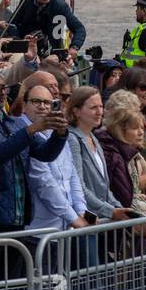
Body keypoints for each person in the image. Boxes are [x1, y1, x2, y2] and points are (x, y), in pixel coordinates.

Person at [0, 67, 69, 237]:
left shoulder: (16, 124)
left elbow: (45, 153)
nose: (3, 92)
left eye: (4, 87)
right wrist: (32, 129)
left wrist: (60, 133)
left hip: (19, 216)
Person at [21, 85, 89, 233]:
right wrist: (73, 217)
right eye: (36, 101)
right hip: (37, 230)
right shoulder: (22, 133)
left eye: (47, 103)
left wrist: (81, 211)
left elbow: (72, 176)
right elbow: (43, 182)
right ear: (24, 106)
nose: (42, 107)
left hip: (63, 228)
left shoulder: (58, 132)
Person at [67, 87, 133, 222]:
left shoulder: (93, 137)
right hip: (86, 219)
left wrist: (118, 208)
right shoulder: (73, 139)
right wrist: (110, 211)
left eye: (101, 106)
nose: (99, 112)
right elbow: (79, 186)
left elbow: (104, 186)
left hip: (101, 218)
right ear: (76, 111)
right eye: (93, 108)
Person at [98, 92, 146, 216]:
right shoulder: (111, 150)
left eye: (142, 128)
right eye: (135, 127)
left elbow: (132, 192)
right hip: (122, 228)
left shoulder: (127, 150)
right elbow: (124, 197)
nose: (141, 133)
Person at [10, 0, 86, 59]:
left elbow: (79, 28)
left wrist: (74, 47)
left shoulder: (60, 6)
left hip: (49, 51)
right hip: (25, 43)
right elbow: (13, 21)